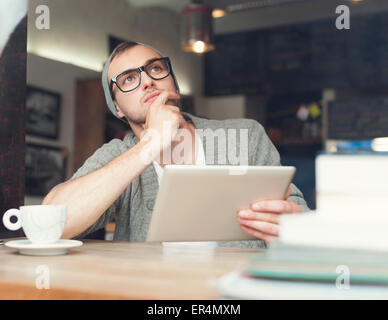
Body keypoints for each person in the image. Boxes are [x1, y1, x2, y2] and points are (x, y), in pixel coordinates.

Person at [42, 41, 309, 248]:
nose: (148, 81)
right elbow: (50, 223)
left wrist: (289, 230)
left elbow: (301, 221)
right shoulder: (119, 154)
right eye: (128, 80)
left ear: (173, 82)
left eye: (155, 68)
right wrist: (149, 146)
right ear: (117, 108)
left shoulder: (246, 135)